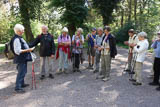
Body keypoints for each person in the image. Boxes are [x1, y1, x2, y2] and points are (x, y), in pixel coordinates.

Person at [11, 24, 34, 93]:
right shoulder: (16, 39)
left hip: (23, 58)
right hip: (20, 58)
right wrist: (28, 50)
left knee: (23, 72)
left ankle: (22, 84)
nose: (23, 31)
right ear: (18, 31)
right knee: (21, 73)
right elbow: (17, 51)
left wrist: (29, 48)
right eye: (22, 30)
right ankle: (18, 88)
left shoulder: (19, 37)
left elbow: (24, 46)